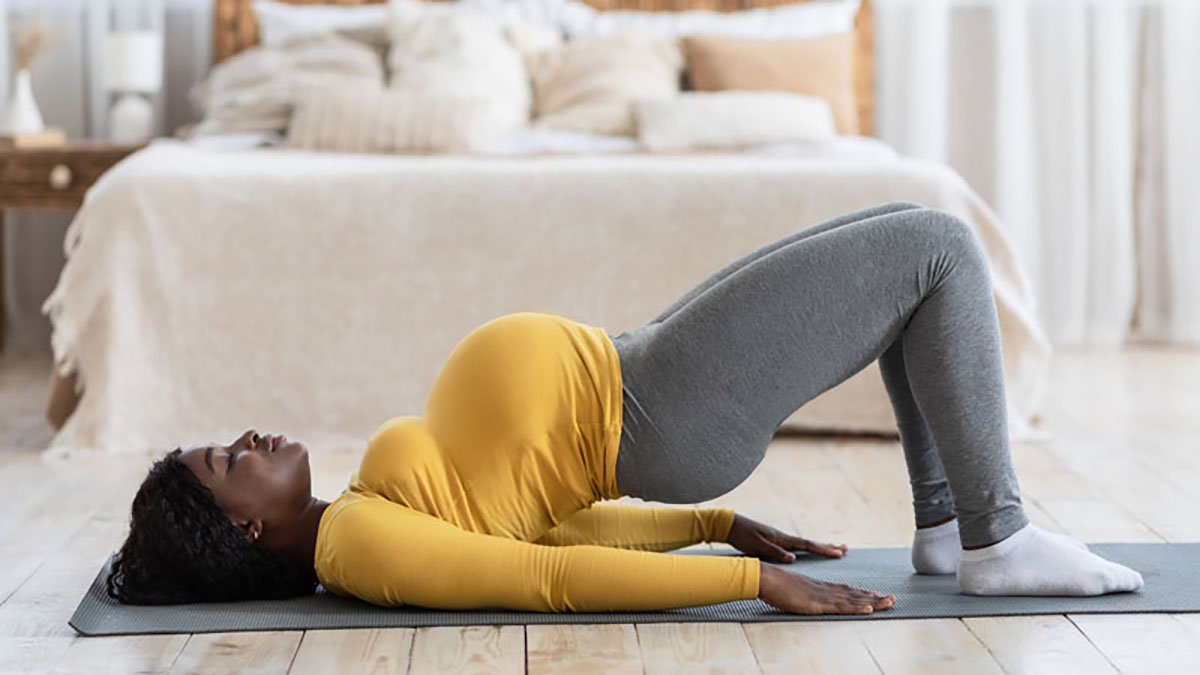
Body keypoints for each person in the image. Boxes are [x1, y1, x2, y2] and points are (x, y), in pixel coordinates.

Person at [106, 201, 1143, 613]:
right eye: (227, 460)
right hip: (655, 404)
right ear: (246, 526)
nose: (248, 441)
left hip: (644, 367)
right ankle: (996, 538)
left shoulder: (365, 506)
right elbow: (542, 575)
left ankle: (946, 528)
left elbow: (551, 516)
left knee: (914, 252)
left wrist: (711, 525)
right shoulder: (360, 547)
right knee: (940, 251)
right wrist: (743, 584)